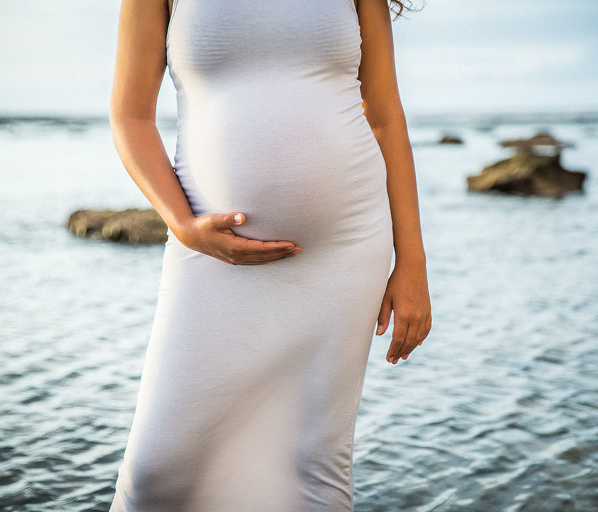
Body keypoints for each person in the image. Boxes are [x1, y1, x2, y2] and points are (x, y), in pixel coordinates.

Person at [108, 0, 431, 510]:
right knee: (156, 476)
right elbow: (129, 115)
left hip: (345, 249)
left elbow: (386, 118)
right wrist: (183, 226)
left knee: (313, 468)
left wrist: (412, 265)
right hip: (207, 258)